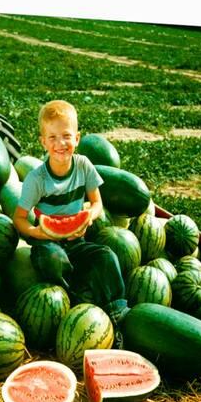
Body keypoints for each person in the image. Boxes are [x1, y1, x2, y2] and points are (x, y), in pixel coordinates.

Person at [13, 100, 129, 346]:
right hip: (48, 244)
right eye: (52, 137)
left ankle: (118, 313)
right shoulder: (36, 179)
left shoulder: (84, 166)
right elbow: (19, 219)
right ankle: (74, 302)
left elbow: (97, 203)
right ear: (43, 142)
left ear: (77, 138)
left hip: (77, 240)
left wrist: (89, 216)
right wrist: (39, 233)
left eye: (66, 136)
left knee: (106, 256)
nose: (60, 143)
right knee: (52, 260)